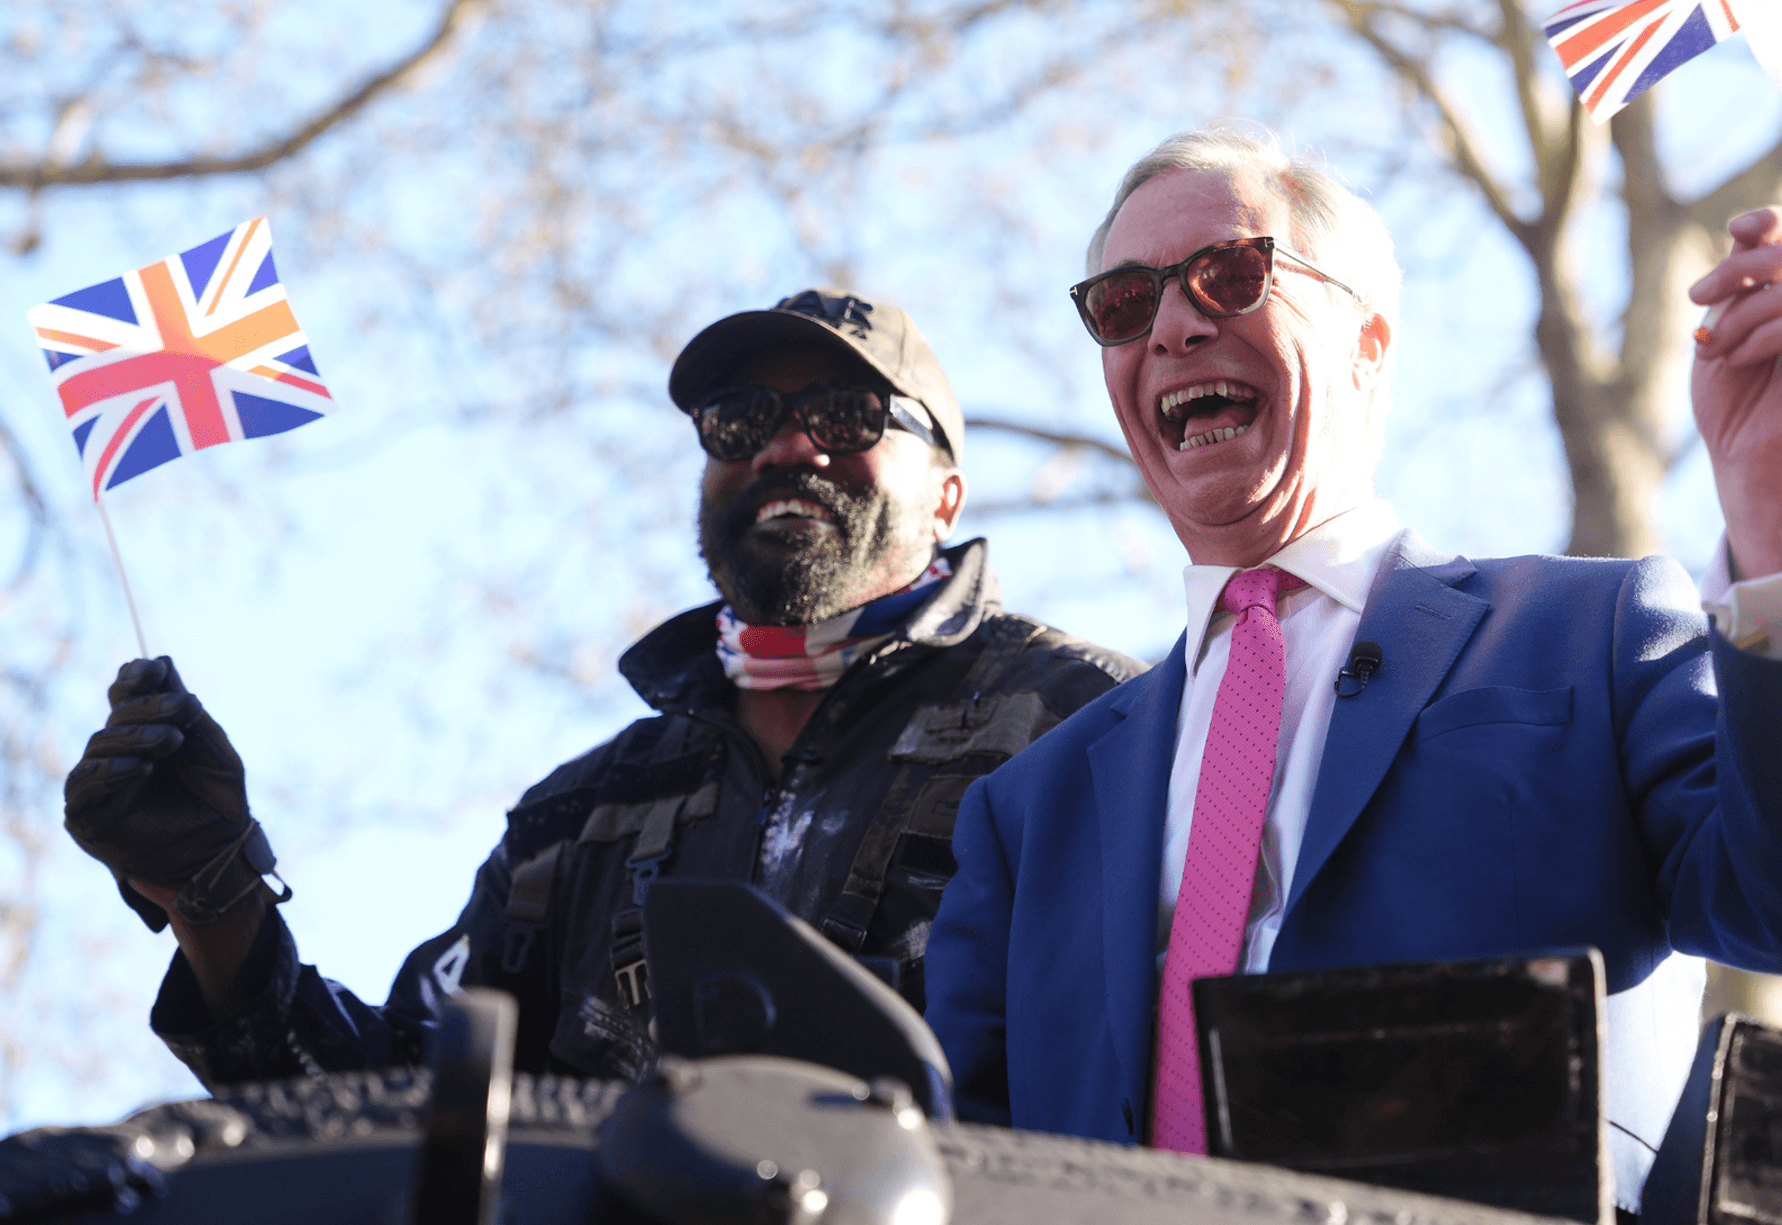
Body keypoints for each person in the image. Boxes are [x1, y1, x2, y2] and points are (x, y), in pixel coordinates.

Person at [923, 128, 1782, 1213]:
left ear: (1367, 339)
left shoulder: (1585, 629)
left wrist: (1780, 507)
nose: (1170, 324)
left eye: (1227, 272)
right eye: (1122, 304)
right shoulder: (1028, 808)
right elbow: (961, 1174)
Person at [65, 288, 1142, 1087]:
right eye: (737, 419)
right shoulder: (580, 819)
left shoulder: (1095, 726)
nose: (786, 444)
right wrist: (215, 900)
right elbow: (386, 1115)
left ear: (946, 490)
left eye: (848, 414)